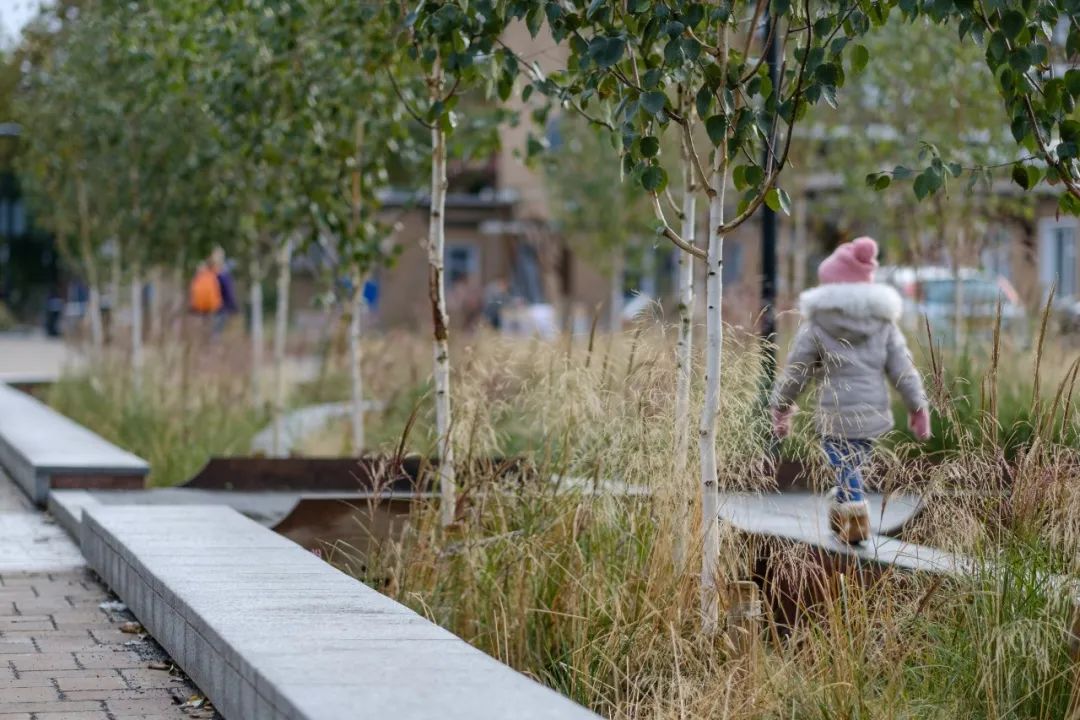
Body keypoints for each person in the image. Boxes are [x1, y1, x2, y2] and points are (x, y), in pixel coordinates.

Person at [769, 236, 931, 544]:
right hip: (871, 412)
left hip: (835, 413)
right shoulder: (884, 324)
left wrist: (781, 406)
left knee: (844, 467)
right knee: (850, 465)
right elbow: (902, 369)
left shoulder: (817, 323)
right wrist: (917, 408)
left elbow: (797, 371)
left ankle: (854, 515)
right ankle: (843, 516)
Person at [210, 247, 237, 335]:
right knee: (216, 335)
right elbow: (228, 292)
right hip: (219, 308)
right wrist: (233, 307)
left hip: (204, 308)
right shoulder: (223, 272)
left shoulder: (205, 270)